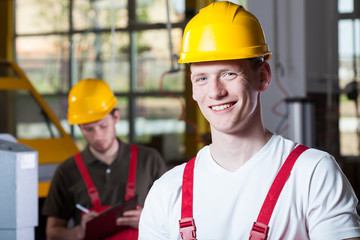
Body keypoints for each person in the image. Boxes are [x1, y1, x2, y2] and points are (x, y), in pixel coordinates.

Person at [139, 1, 360, 239]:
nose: (215, 92)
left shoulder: (313, 174)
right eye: (202, 78)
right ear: (192, 88)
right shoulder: (167, 191)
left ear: (263, 77)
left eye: (229, 74)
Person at [42, 78, 167, 240]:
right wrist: (79, 231)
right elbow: (51, 233)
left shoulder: (149, 161)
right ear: (79, 126)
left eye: (103, 126)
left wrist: (149, 220)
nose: (97, 136)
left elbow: (177, 216)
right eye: (88, 129)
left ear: (115, 117)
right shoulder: (67, 171)